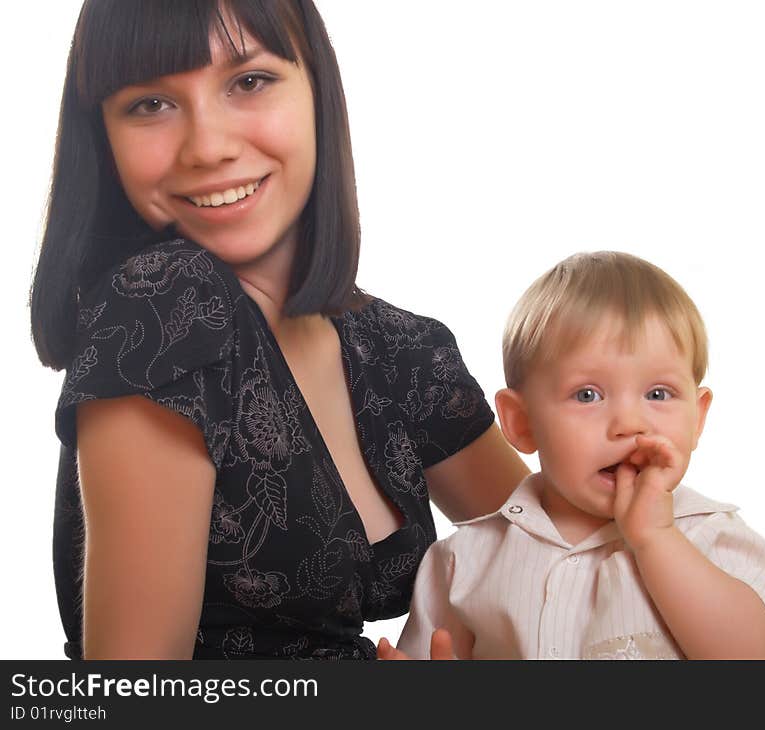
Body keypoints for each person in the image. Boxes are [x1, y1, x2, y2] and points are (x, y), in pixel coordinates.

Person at [29, 0, 528, 660]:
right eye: (150, 104)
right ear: (104, 136)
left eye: (249, 81)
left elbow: (573, 555)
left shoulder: (399, 349)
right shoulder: (160, 310)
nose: (207, 147)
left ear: (318, 90)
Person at [382, 251, 765, 659]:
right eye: (588, 395)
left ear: (697, 418)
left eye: (658, 394)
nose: (629, 423)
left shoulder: (713, 539)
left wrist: (656, 539)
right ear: (521, 421)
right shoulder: (462, 564)